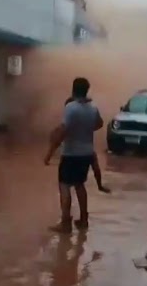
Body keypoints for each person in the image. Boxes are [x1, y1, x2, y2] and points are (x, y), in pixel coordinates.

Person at [44, 77, 103, 232]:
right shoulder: (93, 108)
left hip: (71, 154)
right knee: (79, 185)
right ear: (86, 90)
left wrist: (49, 154)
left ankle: (65, 223)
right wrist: (85, 129)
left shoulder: (71, 107)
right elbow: (99, 124)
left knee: (64, 187)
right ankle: (83, 219)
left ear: (73, 89)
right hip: (87, 153)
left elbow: (62, 132)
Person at [65, 96, 110, 193]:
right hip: (87, 150)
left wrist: (48, 157)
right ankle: (100, 186)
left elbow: (58, 138)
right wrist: (90, 128)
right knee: (82, 181)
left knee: (66, 184)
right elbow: (100, 123)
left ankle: (99, 186)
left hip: (71, 152)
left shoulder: (70, 116)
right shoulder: (90, 111)